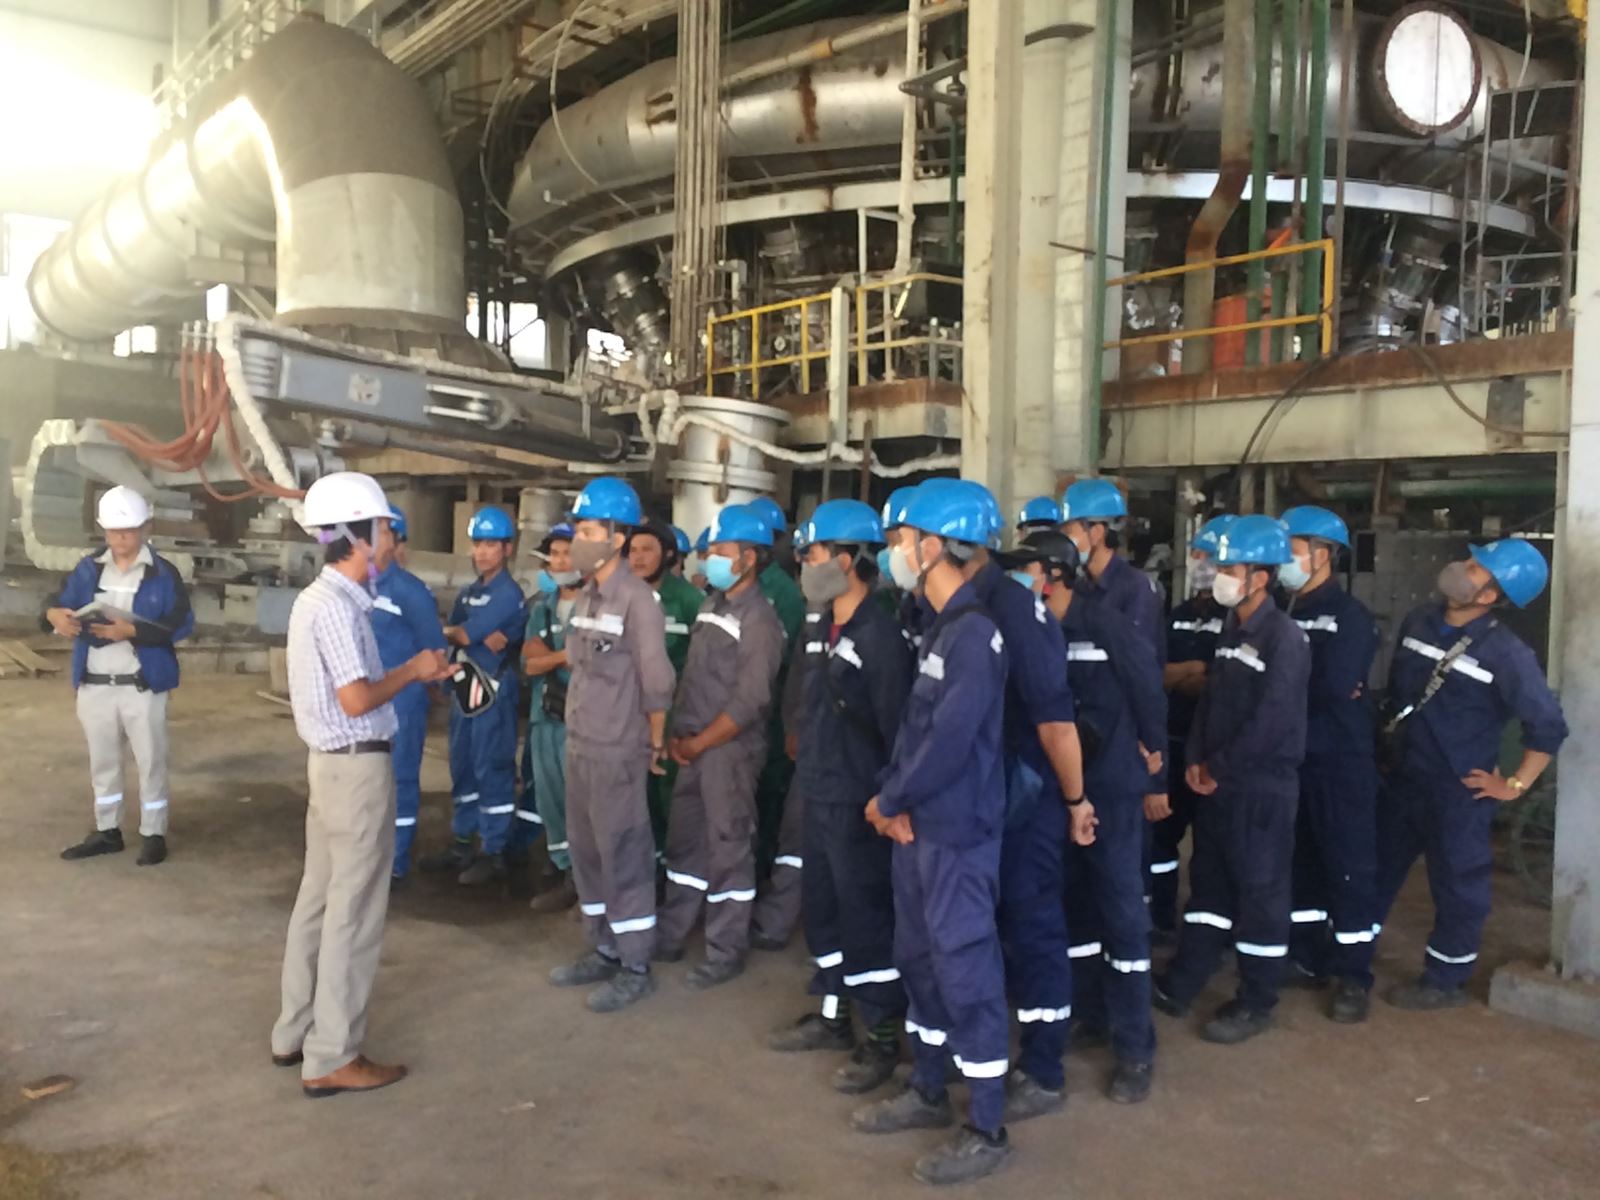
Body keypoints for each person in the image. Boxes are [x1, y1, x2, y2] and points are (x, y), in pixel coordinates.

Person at [850, 478, 1013, 1188]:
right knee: (917, 959)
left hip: (956, 834)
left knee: (965, 969)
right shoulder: (940, 626)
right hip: (918, 830)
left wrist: (891, 797)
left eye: (901, 540)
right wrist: (895, 799)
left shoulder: (976, 634)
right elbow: (916, 731)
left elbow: (950, 741)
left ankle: (987, 1125)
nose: (894, 552)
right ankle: (927, 1087)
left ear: (936, 545)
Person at [271, 471, 452, 1098]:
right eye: (383, 529)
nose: (390, 541)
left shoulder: (314, 599)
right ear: (356, 536)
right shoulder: (341, 608)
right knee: (354, 911)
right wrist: (414, 669)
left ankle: (294, 1031)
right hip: (355, 769)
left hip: (327, 767)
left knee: (318, 900)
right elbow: (356, 699)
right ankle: (332, 1055)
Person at [1373, 538, 1567, 1011]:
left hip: (1458, 791)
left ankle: (1445, 979)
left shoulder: (1507, 653)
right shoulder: (1419, 620)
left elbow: (1548, 726)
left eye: (1477, 569)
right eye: (1469, 560)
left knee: (1459, 887)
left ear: (1491, 595)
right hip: (1402, 776)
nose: (1461, 568)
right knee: (1373, 869)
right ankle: (1351, 950)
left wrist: (1513, 785)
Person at [1011, 530, 1165, 1103]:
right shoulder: (1032, 630)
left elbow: (1149, 692)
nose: (1018, 581)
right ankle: (1089, 1013)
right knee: (1073, 911)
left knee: (1122, 916)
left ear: (1052, 576)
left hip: (1112, 793)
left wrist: (1156, 769)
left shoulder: (1106, 625)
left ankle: (1135, 1048)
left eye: (1026, 569)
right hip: (1060, 793)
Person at [953, 484, 1090, 1123]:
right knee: (991, 924)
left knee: (1034, 923)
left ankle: (1043, 1066)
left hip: (1026, 796)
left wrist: (1076, 800)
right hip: (979, 797)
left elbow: (1056, 724)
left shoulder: (1016, 611)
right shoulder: (957, 607)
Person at [768, 499, 912, 1093]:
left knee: (865, 916)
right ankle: (832, 1014)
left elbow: (898, 729)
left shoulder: (880, 637)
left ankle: (881, 1037)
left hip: (860, 801)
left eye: (815, 554)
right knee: (823, 909)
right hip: (819, 789)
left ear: (848, 560)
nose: (805, 564)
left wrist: (891, 800)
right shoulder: (822, 626)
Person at [1153, 514, 1310, 1045]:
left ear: (1259, 577)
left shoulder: (1284, 637)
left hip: (1260, 789)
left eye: (1228, 567)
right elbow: (1212, 701)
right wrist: (1196, 758)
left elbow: (1272, 719)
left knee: (1261, 894)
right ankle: (1184, 982)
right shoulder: (1231, 628)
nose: (1218, 575)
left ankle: (1257, 999)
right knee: (1210, 885)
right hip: (1219, 783)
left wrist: (1216, 767)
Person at [548, 477, 677, 1013]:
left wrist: (655, 741)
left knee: (624, 853)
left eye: (588, 531)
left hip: (618, 749)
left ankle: (635, 964)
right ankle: (602, 947)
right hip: (581, 744)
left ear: (617, 538)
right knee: (587, 852)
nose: (578, 540)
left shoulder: (637, 600)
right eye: (577, 529)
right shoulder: (587, 595)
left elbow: (657, 679)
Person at [656, 503, 786, 987]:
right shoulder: (712, 605)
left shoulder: (761, 621)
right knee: (686, 843)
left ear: (749, 558)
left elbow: (751, 700)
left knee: (729, 846)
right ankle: (672, 932)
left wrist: (701, 743)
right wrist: (679, 737)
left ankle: (725, 949)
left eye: (720, 550)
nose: (709, 558)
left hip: (728, 752)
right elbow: (693, 678)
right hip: (692, 745)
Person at [48, 486, 195, 867]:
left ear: (146, 528)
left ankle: (153, 833)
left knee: (151, 762)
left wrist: (133, 631)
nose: (121, 539)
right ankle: (107, 830)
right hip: (95, 684)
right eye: (114, 532)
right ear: (104, 530)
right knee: (103, 762)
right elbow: (57, 601)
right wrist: (53, 614)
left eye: (128, 531)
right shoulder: (89, 568)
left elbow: (181, 623)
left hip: (142, 685)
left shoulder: (163, 573)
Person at [1275, 506, 1383, 1023]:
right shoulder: (1280, 608)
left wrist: (1274, 687)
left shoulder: (1349, 617)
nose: (1283, 559)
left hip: (1340, 761)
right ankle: (1306, 955)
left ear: (1324, 554)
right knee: (1302, 862)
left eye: (1292, 548)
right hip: (1293, 757)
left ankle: (1353, 974)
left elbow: (1335, 685)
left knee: (1349, 867)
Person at [429, 507, 526, 885]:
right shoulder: (470, 594)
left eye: (491, 544)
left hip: (493, 692)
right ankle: (462, 842)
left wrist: (456, 631)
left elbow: (462, 634)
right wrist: (460, 634)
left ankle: (493, 850)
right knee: (463, 766)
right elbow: (458, 638)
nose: (482, 552)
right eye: (477, 544)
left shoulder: (508, 594)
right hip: (464, 689)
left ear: (507, 549)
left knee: (492, 767)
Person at [1147, 515, 1234, 933]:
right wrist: (1193, 669)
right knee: (1161, 838)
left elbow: (1221, 683)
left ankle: (1210, 931)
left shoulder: (1238, 620)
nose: (1200, 563)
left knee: (1213, 845)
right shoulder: (1178, 615)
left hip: (1216, 750)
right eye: (1196, 554)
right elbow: (1157, 674)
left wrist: (1185, 675)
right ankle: (1160, 917)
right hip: (1173, 740)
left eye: (1208, 556)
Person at [370, 507, 447, 885]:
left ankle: (396, 860)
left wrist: (430, 685)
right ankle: (368, 856)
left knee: (400, 779)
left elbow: (435, 651)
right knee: (367, 780)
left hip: (403, 701)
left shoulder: (410, 592)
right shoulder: (358, 585)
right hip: (365, 699)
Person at [626, 516, 705, 856]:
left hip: (674, 716)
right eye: (632, 550)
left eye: (647, 549)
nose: (638, 557)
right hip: (628, 715)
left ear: (669, 555)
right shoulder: (621, 597)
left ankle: (672, 866)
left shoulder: (689, 600)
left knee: (668, 796)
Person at [746, 495, 806, 883]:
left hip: (770, 708)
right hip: (742, 712)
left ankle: (763, 869)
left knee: (768, 793)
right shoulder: (737, 589)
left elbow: (786, 659)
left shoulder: (781, 592)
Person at [522, 523, 581, 913]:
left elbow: (588, 660)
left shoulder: (595, 606)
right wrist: (562, 656)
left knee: (581, 802)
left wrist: (548, 657)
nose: (559, 562)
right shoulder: (541, 606)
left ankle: (585, 881)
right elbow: (530, 662)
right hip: (545, 716)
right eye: (554, 555)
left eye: (567, 553)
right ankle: (565, 871)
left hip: (581, 721)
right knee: (551, 798)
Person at [1061, 477, 1164, 663]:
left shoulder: (1135, 589)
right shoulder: (1078, 587)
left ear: (1096, 532)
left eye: (1069, 532)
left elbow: (1140, 664)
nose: (1064, 541)